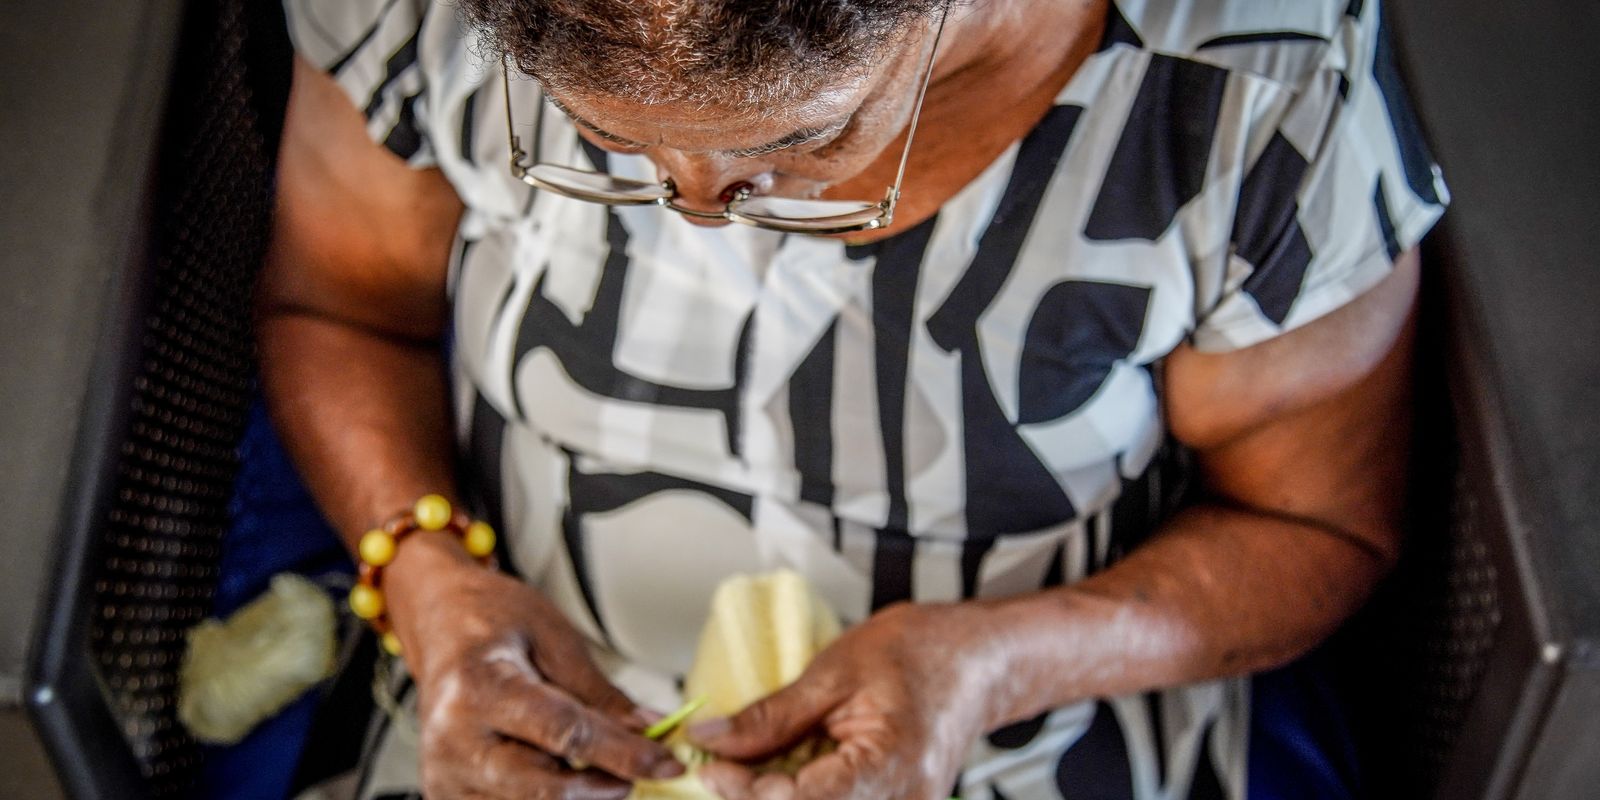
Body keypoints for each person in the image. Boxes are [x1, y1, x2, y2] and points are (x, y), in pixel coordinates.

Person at [264, 0, 1447, 797]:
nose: (694, 206)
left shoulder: (1251, 96)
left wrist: (989, 664)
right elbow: (341, 309)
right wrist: (422, 570)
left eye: (799, 140)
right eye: (598, 136)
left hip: (1017, 735)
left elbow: (1315, 523)